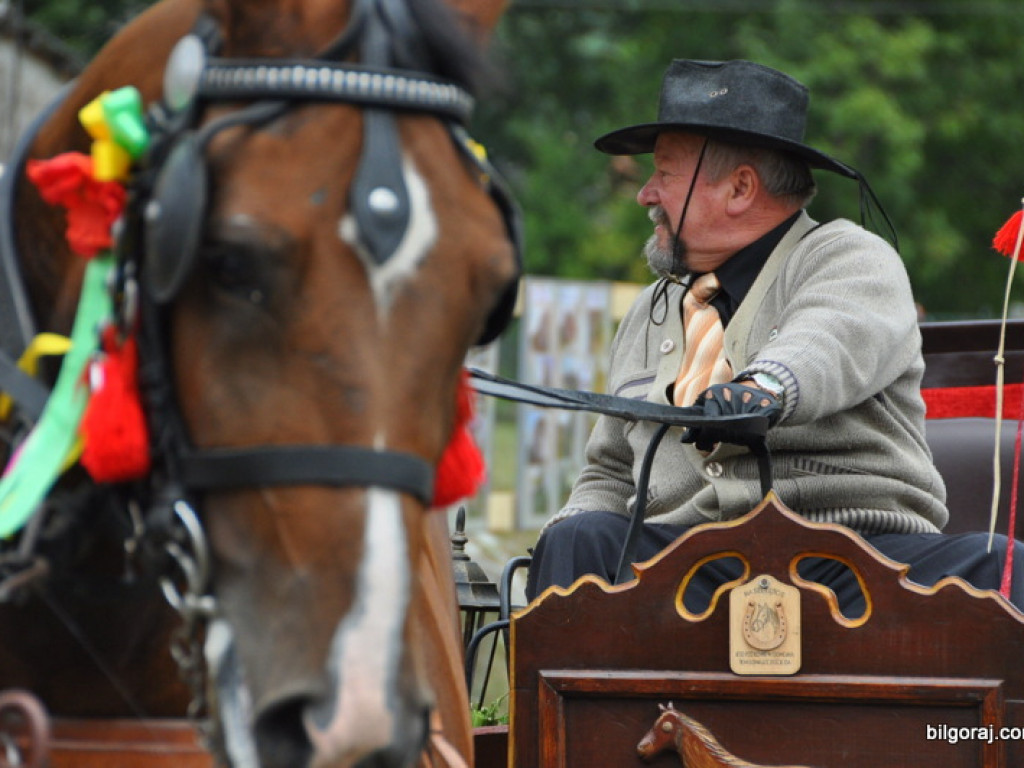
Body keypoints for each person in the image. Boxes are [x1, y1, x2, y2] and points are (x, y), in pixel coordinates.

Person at [524, 59, 1024, 614]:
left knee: (999, 566)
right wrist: (558, 540)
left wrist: (763, 389)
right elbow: (611, 471)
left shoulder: (847, 257)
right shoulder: (649, 310)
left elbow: (830, 338)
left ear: (740, 188)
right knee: (580, 539)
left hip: (850, 558)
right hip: (682, 565)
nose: (645, 194)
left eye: (664, 174)